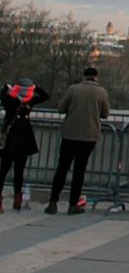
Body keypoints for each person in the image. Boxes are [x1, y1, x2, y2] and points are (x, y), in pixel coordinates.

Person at [45, 66, 110, 215]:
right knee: (79, 170)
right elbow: (105, 114)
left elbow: (61, 108)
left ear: (83, 76)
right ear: (96, 77)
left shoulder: (73, 89)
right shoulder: (101, 92)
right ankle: (73, 204)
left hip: (69, 134)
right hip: (89, 135)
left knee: (62, 168)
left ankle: (53, 202)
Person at [0, 79, 49, 211]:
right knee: (19, 171)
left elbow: (2, 95)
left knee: (3, 169)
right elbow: (45, 96)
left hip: (10, 136)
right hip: (24, 136)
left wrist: (7, 88)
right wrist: (37, 87)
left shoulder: (10, 100)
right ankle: (17, 199)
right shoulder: (30, 100)